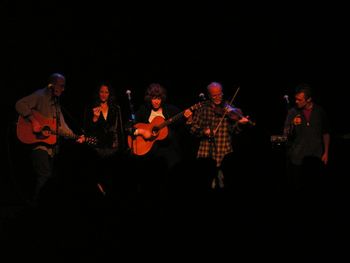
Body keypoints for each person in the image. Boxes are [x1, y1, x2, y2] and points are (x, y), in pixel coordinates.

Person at [15, 72, 85, 205]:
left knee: (53, 178)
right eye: (61, 86)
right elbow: (20, 104)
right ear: (52, 85)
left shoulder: (56, 104)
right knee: (44, 177)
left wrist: (76, 137)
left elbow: (62, 127)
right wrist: (34, 121)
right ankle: (36, 207)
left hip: (53, 148)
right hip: (39, 145)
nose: (63, 89)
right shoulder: (40, 95)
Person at [126, 83, 192, 209]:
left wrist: (189, 119)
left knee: (173, 181)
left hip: (170, 152)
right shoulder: (144, 110)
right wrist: (141, 132)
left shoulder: (170, 110)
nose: (156, 101)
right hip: (151, 154)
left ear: (162, 98)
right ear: (149, 99)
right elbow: (128, 127)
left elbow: (184, 128)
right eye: (153, 98)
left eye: (158, 98)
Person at [187, 82, 250, 189]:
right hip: (206, 153)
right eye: (214, 95)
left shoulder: (229, 107)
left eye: (219, 94)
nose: (217, 97)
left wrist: (240, 124)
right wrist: (203, 131)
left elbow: (234, 131)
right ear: (209, 95)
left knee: (223, 184)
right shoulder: (203, 108)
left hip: (224, 152)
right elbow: (192, 129)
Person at [283, 83, 330, 194]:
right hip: (298, 158)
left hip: (316, 157)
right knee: (298, 189)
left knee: (315, 187)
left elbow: (326, 133)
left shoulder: (319, 111)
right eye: (296, 99)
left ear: (309, 99)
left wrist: (326, 152)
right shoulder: (293, 112)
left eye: (300, 100)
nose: (296, 102)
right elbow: (285, 133)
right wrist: (292, 126)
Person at [83, 81, 124, 196]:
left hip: (112, 148)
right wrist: (95, 119)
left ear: (110, 94)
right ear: (98, 93)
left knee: (111, 177)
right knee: (97, 177)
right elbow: (87, 130)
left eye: (106, 92)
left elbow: (119, 128)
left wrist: (122, 147)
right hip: (97, 148)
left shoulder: (116, 108)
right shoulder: (90, 107)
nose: (104, 94)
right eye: (102, 92)